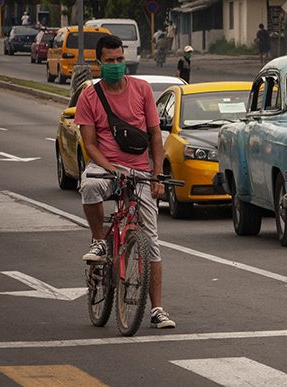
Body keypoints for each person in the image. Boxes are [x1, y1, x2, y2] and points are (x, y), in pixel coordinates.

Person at [74, 34, 175, 329]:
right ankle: (98, 241)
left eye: (120, 59)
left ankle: (157, 310)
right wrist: (111, 169)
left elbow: (155, 134)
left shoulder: (142, 90)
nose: (116, 65)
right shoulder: (89, 97)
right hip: (106, 166)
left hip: (140, 171)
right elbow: (90, 144)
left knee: (152, 241)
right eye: (110, 61)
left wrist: (156, 176)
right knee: (90, 185)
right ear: (99, 63)